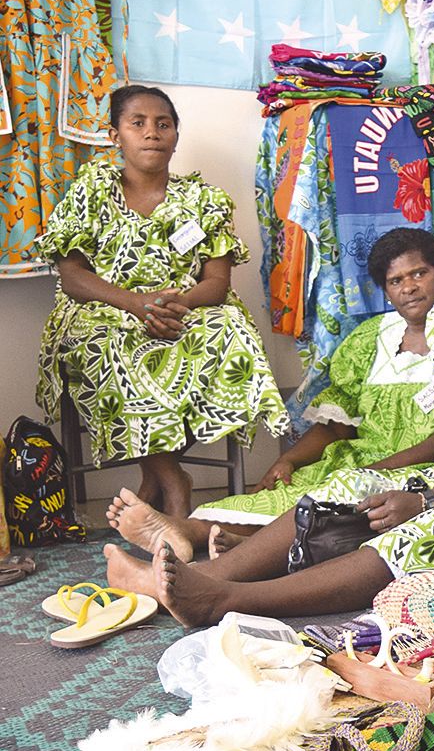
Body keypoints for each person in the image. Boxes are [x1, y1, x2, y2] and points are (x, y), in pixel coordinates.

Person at [105, 203, 434, 626]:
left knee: (430, 528)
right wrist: (380, 474)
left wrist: (425, 499)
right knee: (345, 488)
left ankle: (224, 601)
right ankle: (199, 579)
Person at [105, 227, 434, 561]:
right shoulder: (370, 339)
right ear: (385, 291)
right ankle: (191, 530)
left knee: (332, 499)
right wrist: (289, 460)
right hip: (358, 461)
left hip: (424, 469)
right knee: (284, 492)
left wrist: (375, 469)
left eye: (419, 274)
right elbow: (337, 427)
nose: (409, 288)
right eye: (396, 281)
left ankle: (192, 534)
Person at [36, 85, 288, 518]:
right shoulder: (89, 192)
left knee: (229, 334)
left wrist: (175, 306)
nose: (152, 133)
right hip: (105, 310)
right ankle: (174, 481)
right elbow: (73, 276)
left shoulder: (204, 201)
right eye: (138, 123)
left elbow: (217, 283)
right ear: (115, 135)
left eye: (163, 124)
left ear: (175, 135)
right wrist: (137, 304)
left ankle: (154, 474)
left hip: (186, 307)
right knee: (107, 343)